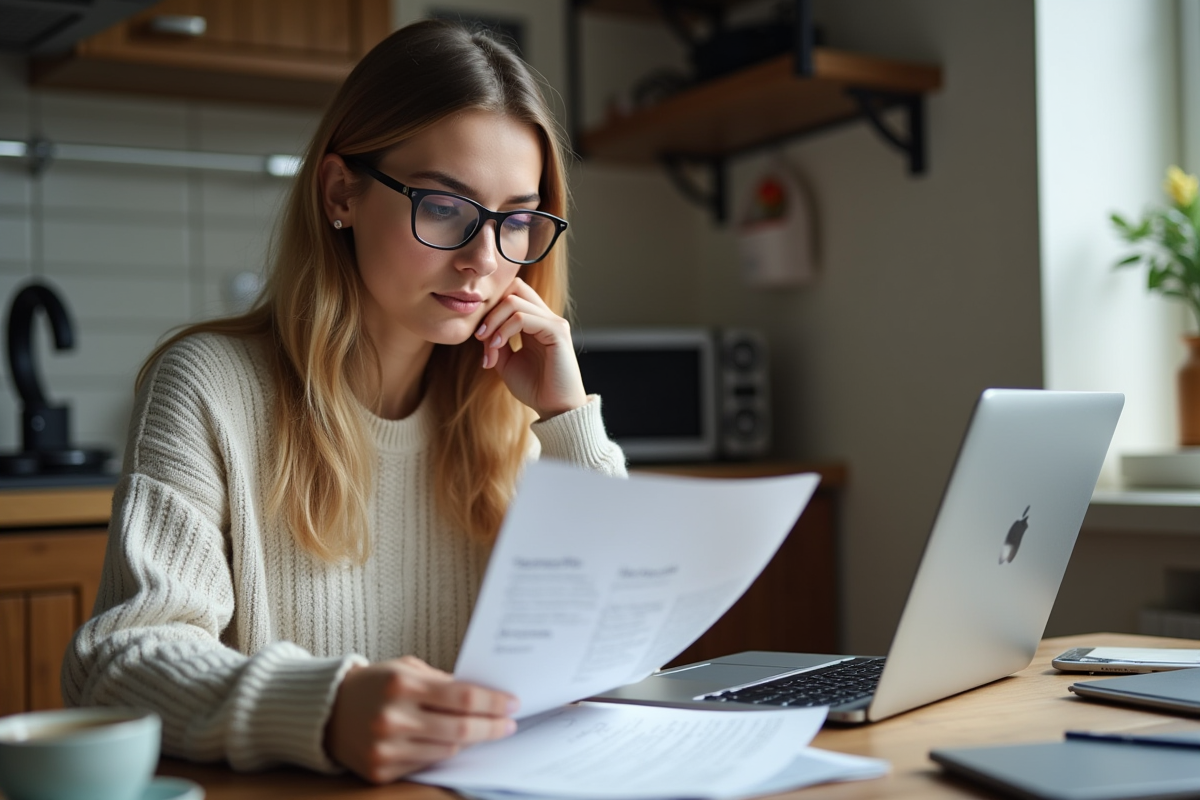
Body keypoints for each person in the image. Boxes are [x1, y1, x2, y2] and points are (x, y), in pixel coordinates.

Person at [62, 19, 627, 785]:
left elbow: (617, 634)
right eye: (445, 206)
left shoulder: (510, 415)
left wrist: (567, 418)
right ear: (341, 194)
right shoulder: (208, 386)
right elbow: (117, 665)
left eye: (517, 220)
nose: (483, 260)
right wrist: (322, 707)